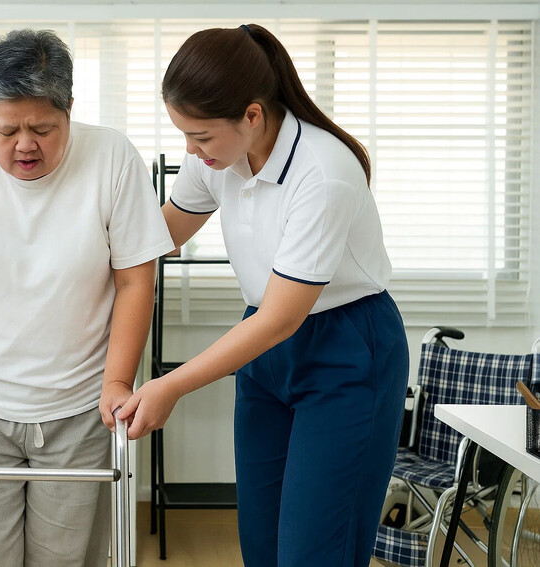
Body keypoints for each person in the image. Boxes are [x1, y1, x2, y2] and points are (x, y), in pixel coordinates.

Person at [117, 24, 409, 567]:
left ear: (252, 114)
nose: (191, 150)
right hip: (265, 347)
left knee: (315, 552)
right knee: (263, 543)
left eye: (200, 136)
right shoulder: (218, 158)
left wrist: (169, 387)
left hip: (345, 349)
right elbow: (161, 237)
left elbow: (281, 317)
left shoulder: (323, 172)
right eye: (183, 134)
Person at [0, 29, 173, 567]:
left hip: (80, 409)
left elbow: (135, 279)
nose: (25, 144)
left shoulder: (112, 157)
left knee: (67, 559)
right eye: (7, 129)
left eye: (43, 128)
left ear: (69, 110)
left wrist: (116, 381)